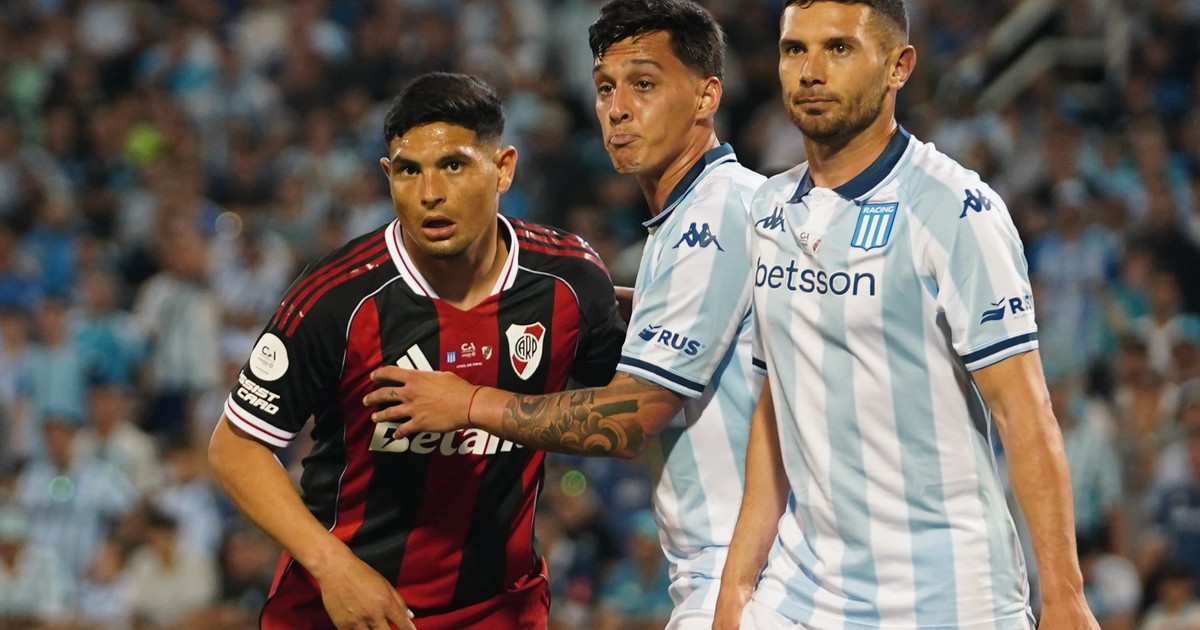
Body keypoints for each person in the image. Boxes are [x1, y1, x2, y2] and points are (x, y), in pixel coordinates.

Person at [364, 1, 765, 627]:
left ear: (707, 95)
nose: (618, 108)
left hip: (746, 572)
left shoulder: (709, 221)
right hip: (739, 563)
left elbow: (629, 420)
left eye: (644, 84)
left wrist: (466, 404)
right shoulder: (711, 211)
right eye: (605, 88)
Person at [713, 1, 1100, 629]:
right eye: (794, 49)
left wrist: (1065, 596)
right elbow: (774, 403)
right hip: (804, 593)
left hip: (948, 596)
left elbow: (1024, 412)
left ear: (899, 66)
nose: (810, 71)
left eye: (839, 48)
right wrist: (736, 587)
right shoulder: (768, 210)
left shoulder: (955, 208)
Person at [207, 72, 625, 630]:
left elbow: (626, 418)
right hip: (343, 604)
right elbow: (235, 446)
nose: (430, 194)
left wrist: (472, 406)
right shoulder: (336, 298)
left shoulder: (569, 282)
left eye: (453, 165)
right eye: (409, 170)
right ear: (388, 175)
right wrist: (332, 566)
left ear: (503, 168)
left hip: (496, 608)